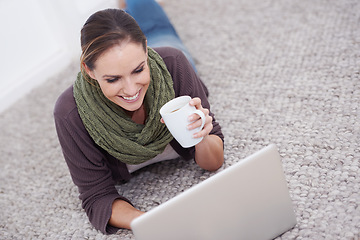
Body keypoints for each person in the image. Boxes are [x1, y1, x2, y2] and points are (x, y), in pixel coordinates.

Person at [54, 0, 224, 234]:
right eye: (113, 79)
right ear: (89, 70)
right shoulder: (70, 113)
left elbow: (214, 161)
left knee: (161, 31)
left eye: (138, 70)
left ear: (146, 49)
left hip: (166, 53)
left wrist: (202, 136)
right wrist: (153, 223)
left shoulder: (172, 65)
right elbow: (97, 198)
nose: (131, 89)